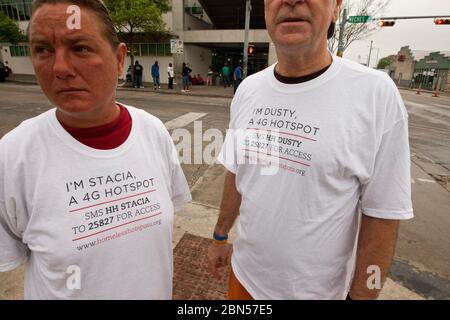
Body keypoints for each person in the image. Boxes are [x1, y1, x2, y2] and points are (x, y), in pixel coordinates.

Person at [208, 0, 413, 300]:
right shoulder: (248, 90)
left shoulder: (375, 94)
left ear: (335, 7)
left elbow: (383, 216)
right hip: (244, 281)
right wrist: (219, 235)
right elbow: (236, 173)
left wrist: (363, 296)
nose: (291, 1)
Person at [0, 0, 191, 299]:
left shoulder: (153, 131)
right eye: (43, 50)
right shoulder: (11, 158)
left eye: (80, 48)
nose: (60, 68)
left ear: (119, 59)